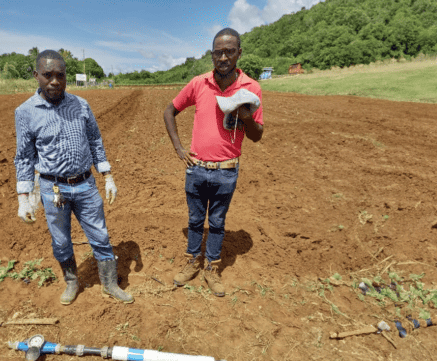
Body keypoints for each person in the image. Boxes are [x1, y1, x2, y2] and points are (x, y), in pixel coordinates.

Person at [14, 49, 133, 305]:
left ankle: (109, 283)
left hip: (85, 185)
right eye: (47, 75)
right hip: (51, 188)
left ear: (66, 76)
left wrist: (107, 175)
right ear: (37, 75)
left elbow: (94, 139)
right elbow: (24, 156)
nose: (54, 81)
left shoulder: (81, 105)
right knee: (60, 241)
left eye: (60, 75)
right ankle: (71, 282)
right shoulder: (25, 112)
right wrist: (24, 197)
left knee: (100, 236)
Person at [162, 28, 264, 297]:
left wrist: (246, 116)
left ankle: (212, 268)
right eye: (218, 52)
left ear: (239, 53)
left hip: (227, 170)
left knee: (217, 222)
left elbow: (257, 136)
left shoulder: (251, 88)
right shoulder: (199, 83)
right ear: (211, 55)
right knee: (195, 220)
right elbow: (169, 111)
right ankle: (192, 261)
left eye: (229, 51)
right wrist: (179, 148)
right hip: (196, 168)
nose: (223, 57)